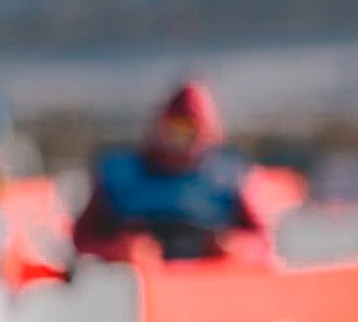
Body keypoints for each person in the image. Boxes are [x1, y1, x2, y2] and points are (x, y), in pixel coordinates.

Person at [73, 80, 271, 263]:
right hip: (135, 279)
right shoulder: (119, 172)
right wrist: (116, 250)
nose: (182, 143)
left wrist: (234, 247)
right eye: (176, 130)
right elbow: (82, 239)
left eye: (191, 133)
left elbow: (262, 241)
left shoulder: (232, 173)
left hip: (207, 279)